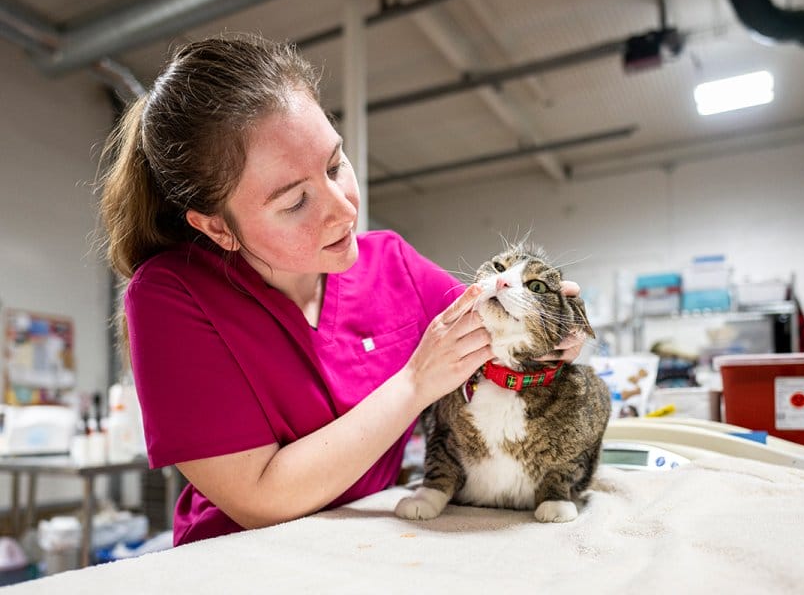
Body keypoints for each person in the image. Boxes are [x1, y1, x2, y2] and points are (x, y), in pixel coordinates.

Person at [98, 35, 583, 546]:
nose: (344, 208)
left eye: (334, 165)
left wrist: (550, 327)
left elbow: (495, 337)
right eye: (295, 202)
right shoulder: (171, 297)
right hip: (243, 561)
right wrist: (415, 383)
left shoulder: (394, 263)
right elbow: (261, 498)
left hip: (369, 544)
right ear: (218, 227)